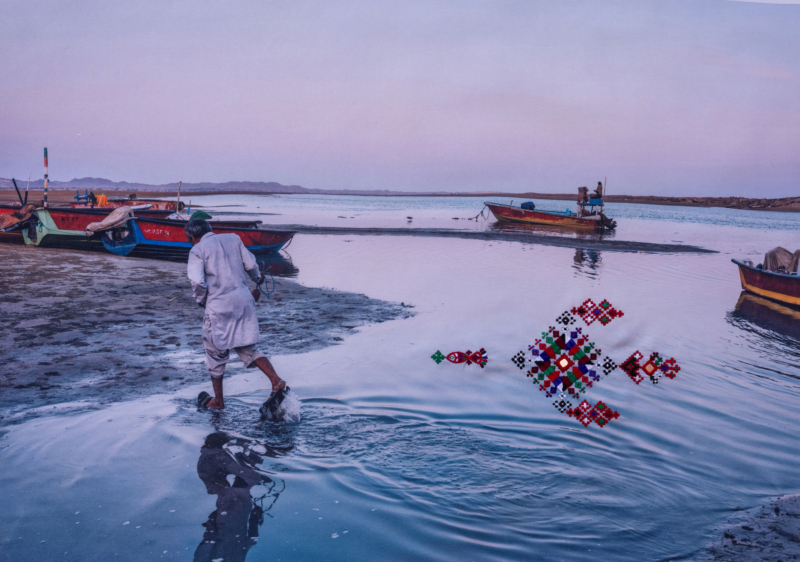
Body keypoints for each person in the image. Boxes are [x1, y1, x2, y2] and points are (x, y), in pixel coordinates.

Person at [185, 219, 287, 410]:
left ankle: (219, 402)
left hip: (219, 306)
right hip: (244, 301)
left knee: (215, 354)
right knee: (249, 349)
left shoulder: (197, 250)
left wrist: (201, 300)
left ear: (192, 238)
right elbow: (251, 265)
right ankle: (276, 381)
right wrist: (258, 278)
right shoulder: (233, 238)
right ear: (210, 229)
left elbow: (198, 282)